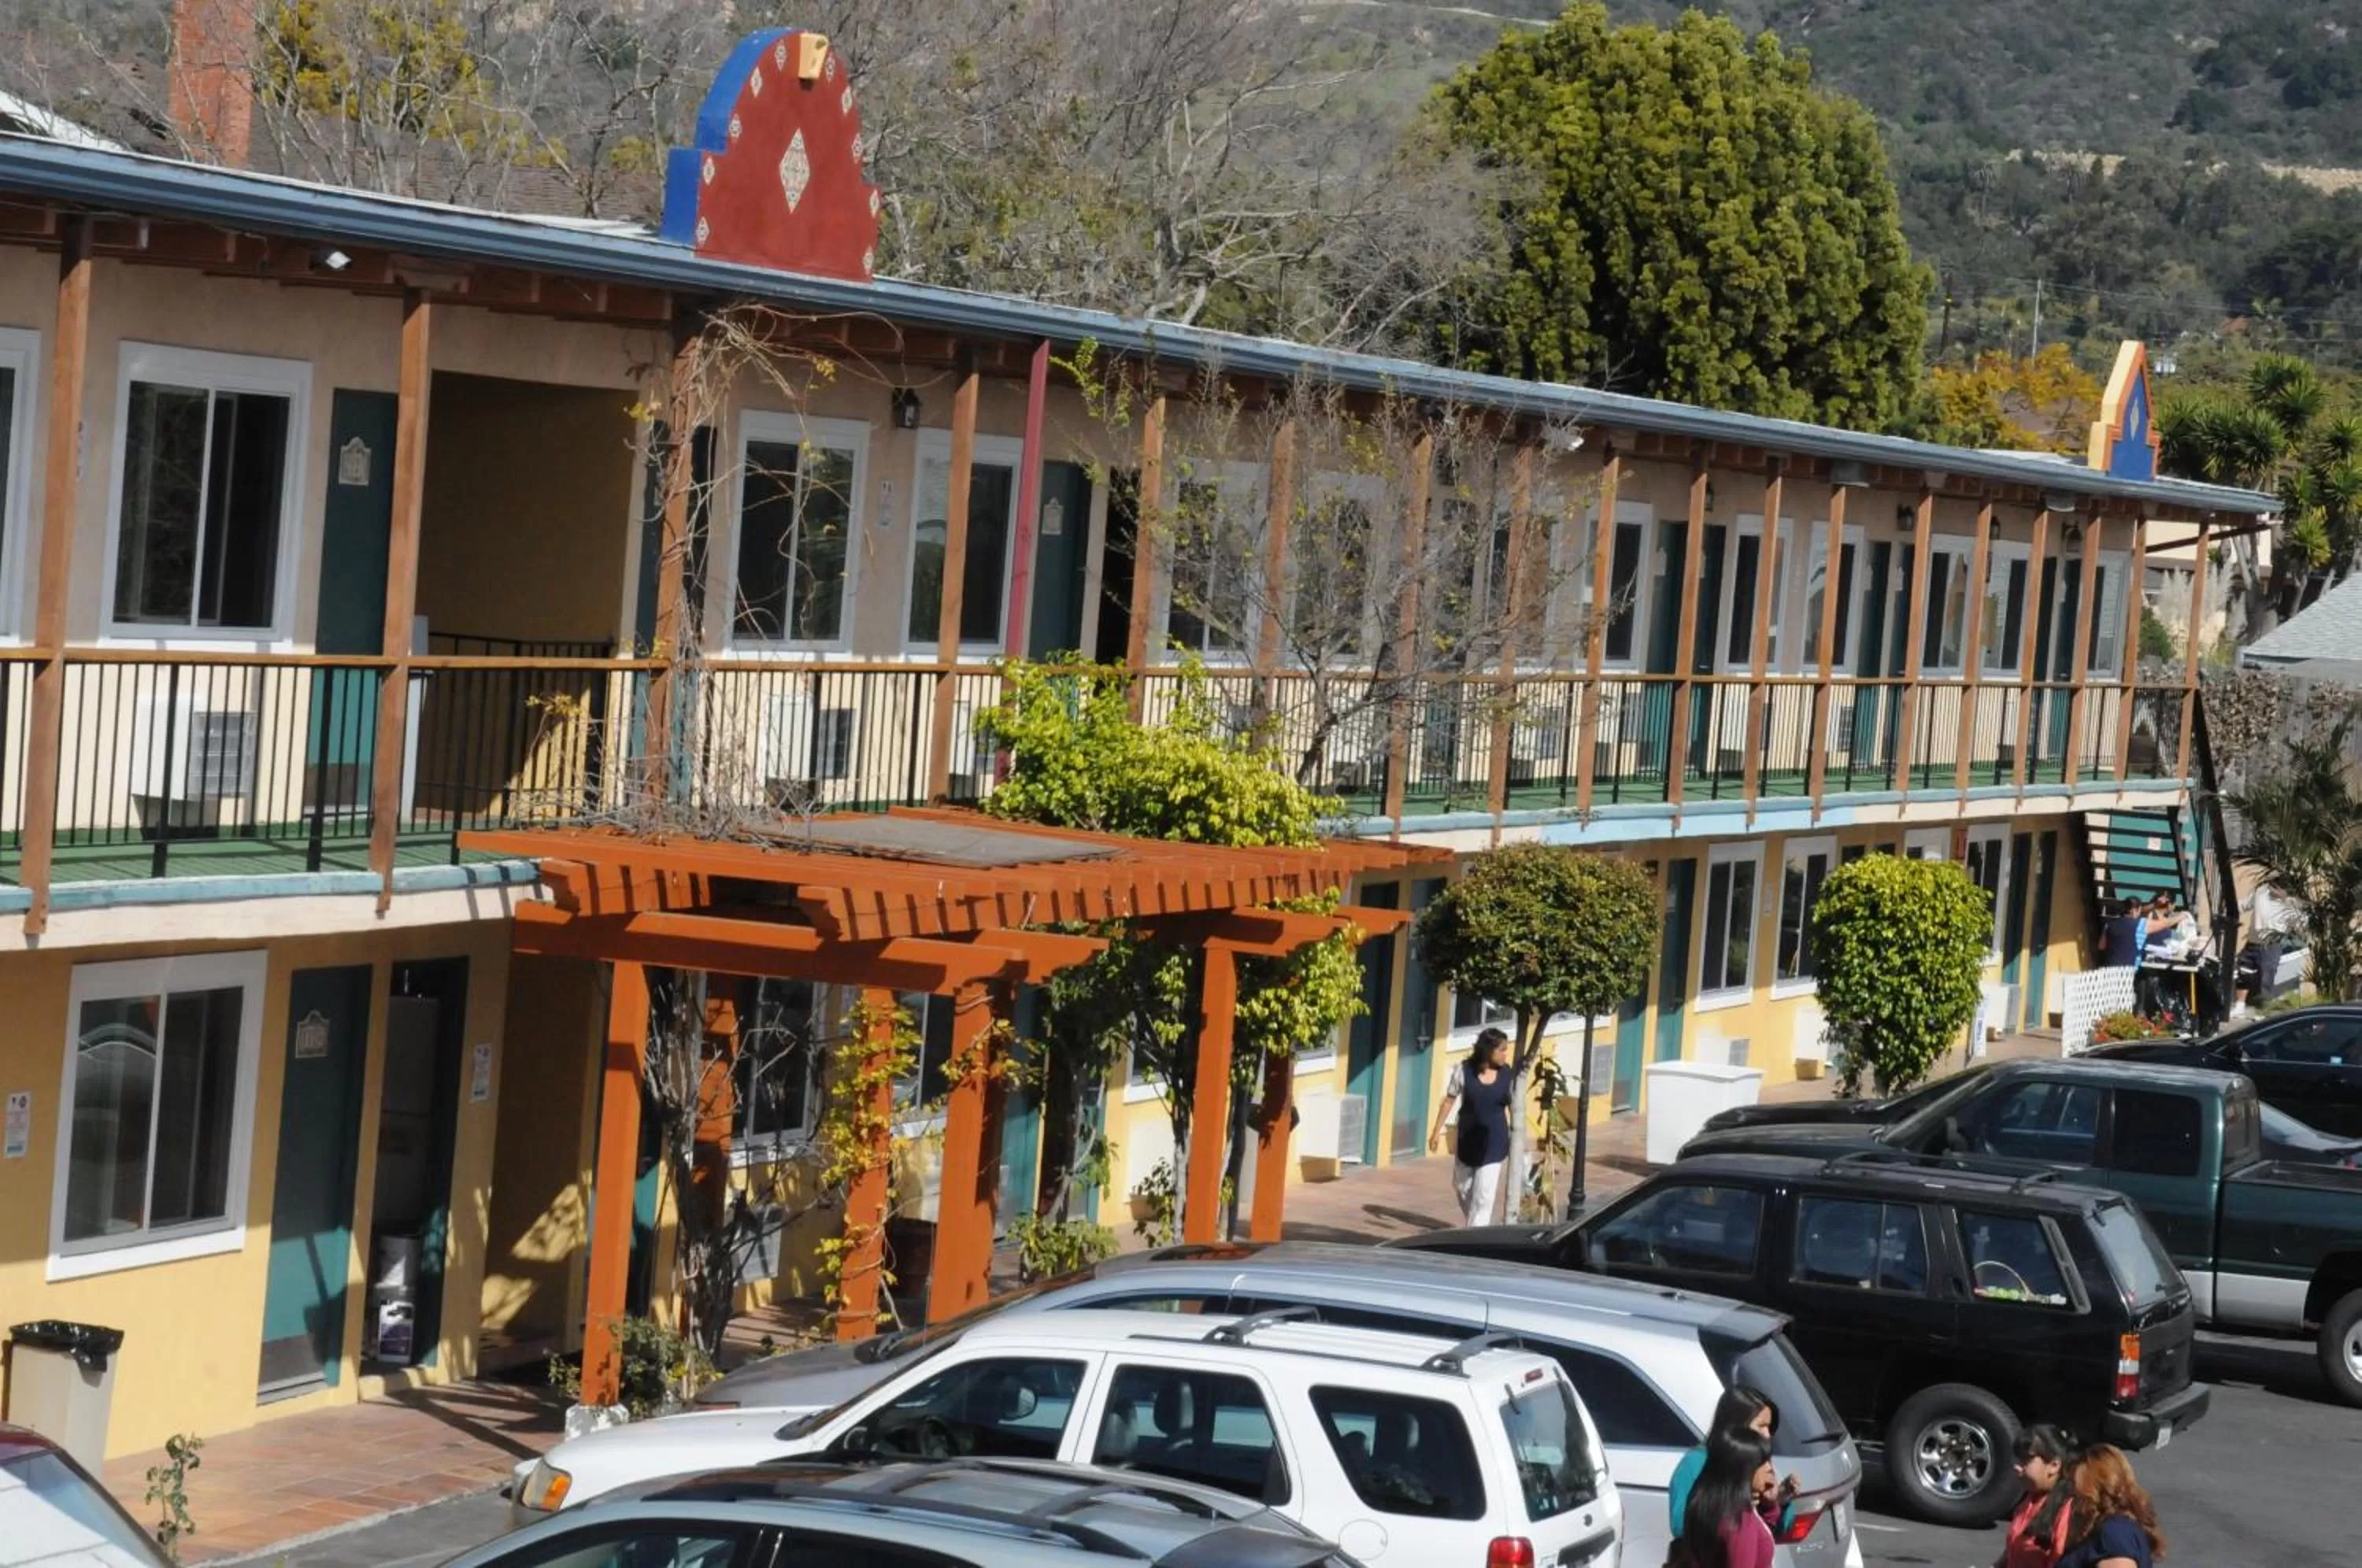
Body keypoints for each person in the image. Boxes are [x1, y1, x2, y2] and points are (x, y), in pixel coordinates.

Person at [1667, 1387, 1795, 1540]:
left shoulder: (1759, 1463)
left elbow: (1775, 1529)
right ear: (1737, 1424)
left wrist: (1777, 1502)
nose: (1767, 1434)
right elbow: (1680, 1526)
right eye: (1761, 1426)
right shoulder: (1696, 1463)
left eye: (1769, 1427)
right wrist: (1731, 1508)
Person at [1428, 1026, 1513, 1226]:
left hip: (1494, 1142)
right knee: (1461, 1187)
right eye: (1501, 1050)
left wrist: (1518, 1139)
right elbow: (1449, 1100)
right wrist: (1436, 1132)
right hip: (1467, 1139)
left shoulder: (1507, 1075)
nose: (1505, 1054)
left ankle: (1476, 1231)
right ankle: (1476, 1225)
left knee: (1483, 1197)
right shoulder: (1464, 1071)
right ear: (1488, 1050)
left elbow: (1515, 1108)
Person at [1673, 1429, 1779, 1568]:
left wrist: (1769, 1507)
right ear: (1742, 1468)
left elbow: (1758, 1537)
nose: (1770, 1469)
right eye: (1762, 1462)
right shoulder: (1740, 1522)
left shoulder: (1714, 1506)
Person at [2053, 1444, 2164, 1568]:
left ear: (2092, 1490)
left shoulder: (2114, 1533)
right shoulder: (2117, 1528)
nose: (2072, 1494)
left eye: (2075, 1486)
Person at [1995, 1425, 2079, 1568]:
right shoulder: (2029, 1501)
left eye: (2026, 1460)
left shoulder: (2067, 1510)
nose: (2017, 1467)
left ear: (2054, 1465)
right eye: (2018, 1459)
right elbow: (2012, 1552)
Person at [2101, 898, 2145, 970]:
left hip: (2110, 967)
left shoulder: (2109, 924)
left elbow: (2101, 946)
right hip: (2129, 970)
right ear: (2135, 910)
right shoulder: (2141, 926)